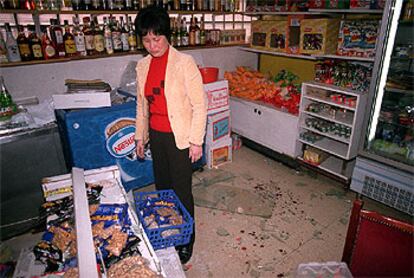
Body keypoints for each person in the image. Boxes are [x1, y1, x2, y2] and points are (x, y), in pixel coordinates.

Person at [134, 6, 207, 264]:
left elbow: (200, 105)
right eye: (146, 39)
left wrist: (196, 141)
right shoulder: (142, 66)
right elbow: (142, 106)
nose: (152, 45)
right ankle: (169, 227)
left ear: (167, 35)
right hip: (157, 134)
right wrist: (139, 137)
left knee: (181, 189)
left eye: (157, 38)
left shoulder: (184, 63)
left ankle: (187, 238)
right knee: (162, 187)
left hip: (181, 137)